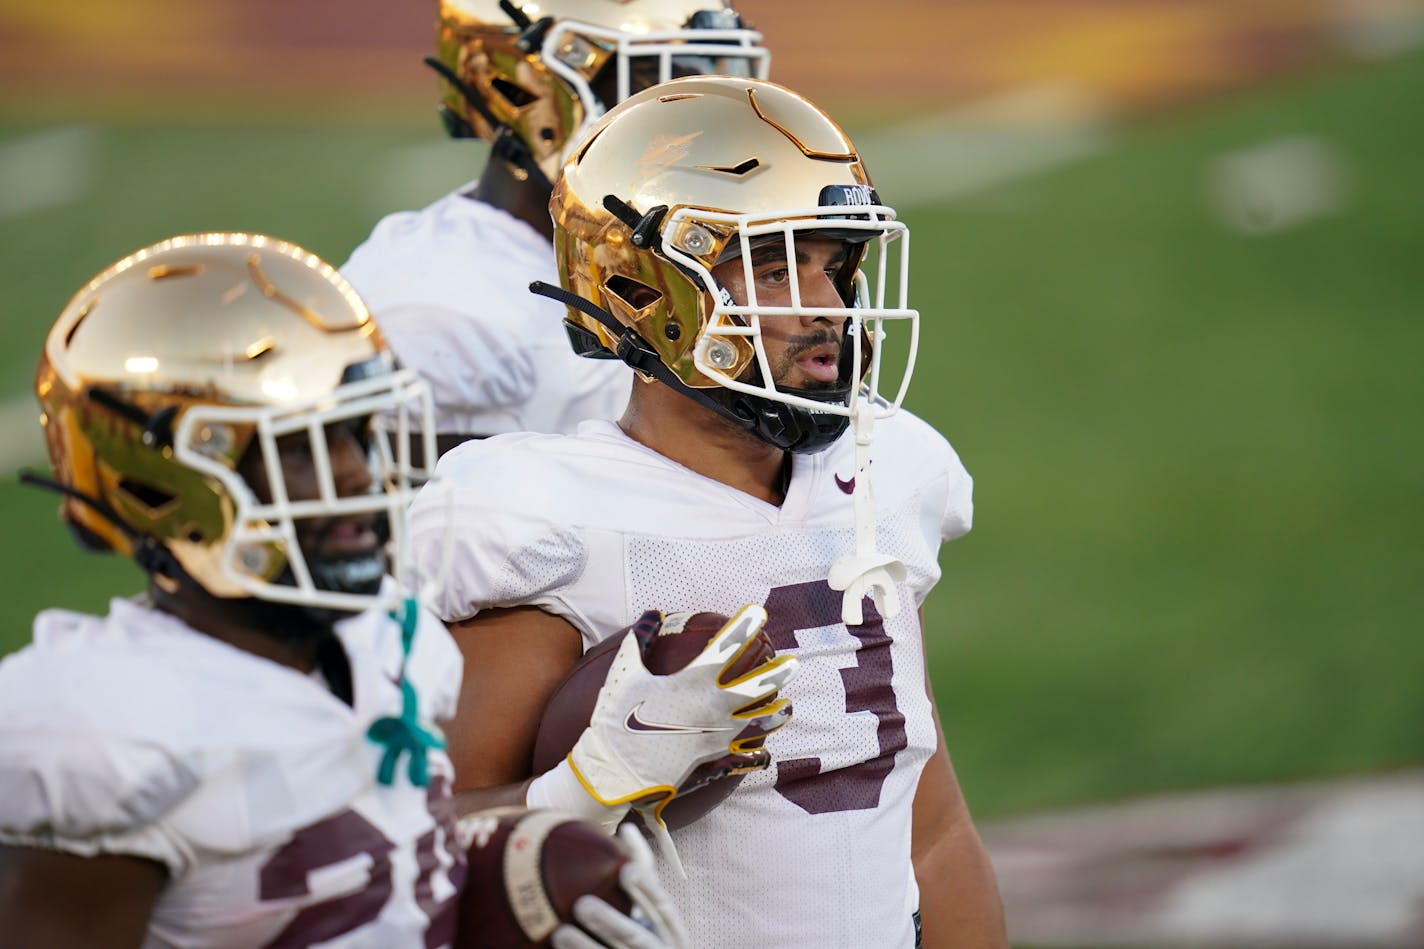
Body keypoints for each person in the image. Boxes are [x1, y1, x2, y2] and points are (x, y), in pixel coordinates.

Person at [408, 77, 1010, 948]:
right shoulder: (551, 520)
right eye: (773, 268)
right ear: (643, 292)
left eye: (833, 262)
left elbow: (932, 828)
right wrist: (593, 781)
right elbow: (423, 848)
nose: (829, 308)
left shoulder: (890, 470)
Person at [0, 233, 686, 949]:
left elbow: (381, 853)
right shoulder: (104, 729)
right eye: (301, 448)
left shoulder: (388, 641)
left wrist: (578, 794)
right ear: (161, 487)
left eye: (357, 434)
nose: (357, 474)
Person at [340, 0, 771, 455]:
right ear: (520, 90)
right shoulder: (435, 304)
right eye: (654, 83)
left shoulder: (668, 245)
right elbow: (419, 511)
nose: (698, 127)